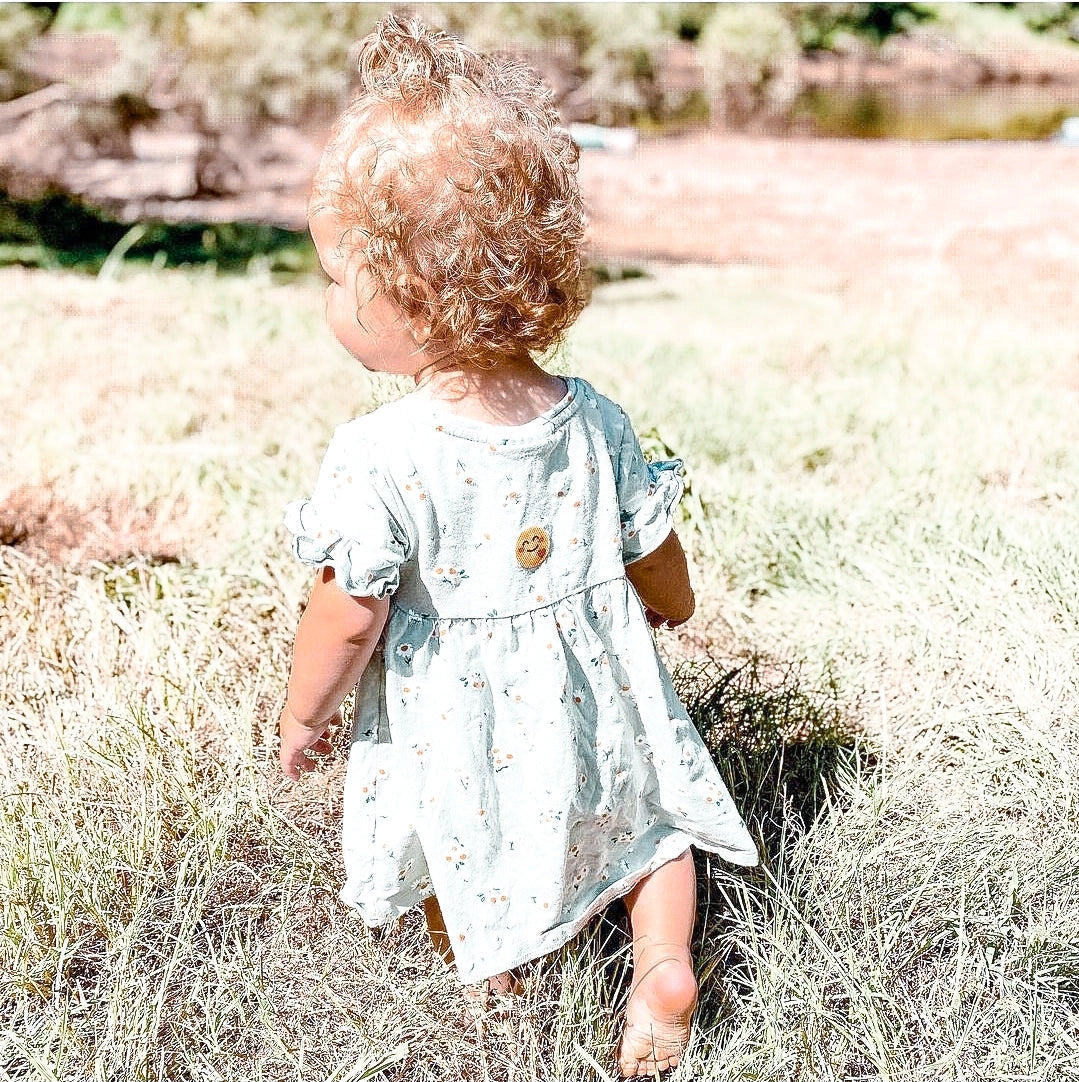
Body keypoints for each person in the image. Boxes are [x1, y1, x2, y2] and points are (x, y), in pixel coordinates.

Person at [278, 14, 758, 1077]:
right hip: (606, 687)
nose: (322, 298)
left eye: (330, 277)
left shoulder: (376, 451)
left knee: (469, 845)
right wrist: (668, 609)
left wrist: (302, 713)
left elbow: (345, 608)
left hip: (464, 713)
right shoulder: (592, 416)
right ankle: (663, 963)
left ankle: (503, 1004)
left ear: (406, 297)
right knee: (649, 826)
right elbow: (653, 550)